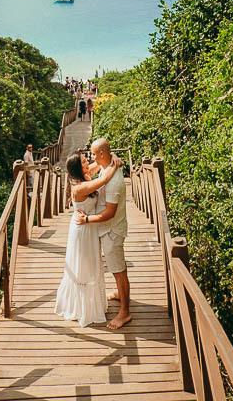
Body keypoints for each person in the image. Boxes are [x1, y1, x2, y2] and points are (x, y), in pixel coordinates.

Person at [54, 150, 121, 327]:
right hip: (83, 229)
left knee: (92, 264)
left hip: (88, 226)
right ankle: (84, 309)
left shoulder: (83, 175)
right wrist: (115, 165)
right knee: (85, 267)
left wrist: (110, 157)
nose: (87, 164)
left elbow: (99, 165)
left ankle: (91, 304)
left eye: (86, 160)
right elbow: (104, 179)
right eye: (84, 162)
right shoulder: (79, 187)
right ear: (77, 168)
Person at [76, 137, 131, 329]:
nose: (90, 157)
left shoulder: (114, 181)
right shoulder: (106, 167)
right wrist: (113, 157)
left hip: (112, 230)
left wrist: (87, 220)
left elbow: (109, 213)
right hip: (107, 229)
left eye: (93, 153)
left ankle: (124, 312)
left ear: (101, 154)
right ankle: (119, 293)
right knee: (116, 268)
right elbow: (101, 169)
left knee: (118, 270)